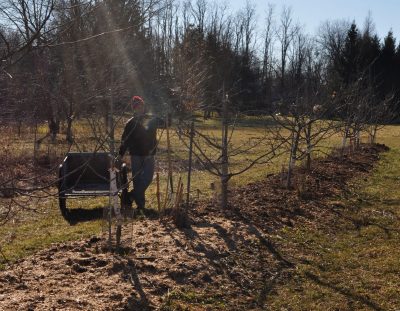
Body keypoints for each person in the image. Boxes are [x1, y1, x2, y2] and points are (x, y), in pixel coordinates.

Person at [117, 96, 165, 211]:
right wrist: (120, 154)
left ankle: (130, 196)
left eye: (141, 106)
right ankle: (140, 206)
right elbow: (125, 140)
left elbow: (165, 124)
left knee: (148, 178)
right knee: (137, 180)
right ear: (134, 108)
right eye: (137, 106)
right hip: (136, 154)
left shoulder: (151, 119)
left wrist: (163, 117)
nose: (139, 108)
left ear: (143, 106)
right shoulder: (130, 123)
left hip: (149, 153)